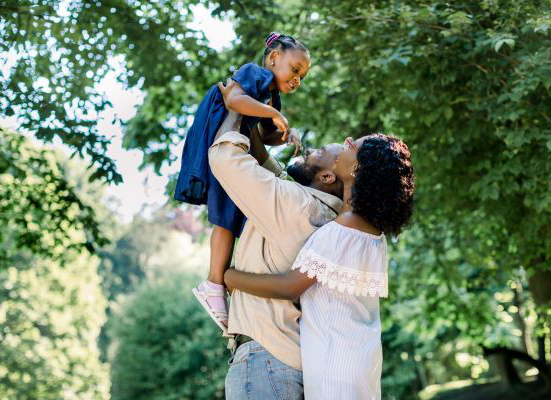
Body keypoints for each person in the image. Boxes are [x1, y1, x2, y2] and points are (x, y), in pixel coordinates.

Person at [224, 133, 415, 399]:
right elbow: (286, 187)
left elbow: (289, 286)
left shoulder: (343, 229)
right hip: (356, 357)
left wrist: (229, 277)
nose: (346, 140)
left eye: (351, 145)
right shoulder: (369, 233)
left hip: (337, 363)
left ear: (357, 170)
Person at [174, 32, 310, 335]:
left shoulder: (271, 94)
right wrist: (274, 113)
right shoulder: (256, 73)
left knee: (232, 218)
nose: (298, 79)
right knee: (224, 219)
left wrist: (287, 132)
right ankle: (213, 284)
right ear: (274, 58)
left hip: (242, 148)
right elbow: (233, 99)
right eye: (295, 69)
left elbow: (264, 134)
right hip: (224, 143)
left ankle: (220, 283)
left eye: (303, 76)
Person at [207, 106, 344, 399]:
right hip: (276, 360)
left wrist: (234, 106)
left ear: (329, 177)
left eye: (320, 151)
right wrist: (258, 116)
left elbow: (224, 157)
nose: (310, 149)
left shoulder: (299, 206)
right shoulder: (319, 210)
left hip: (265, 362)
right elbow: (267, 166)